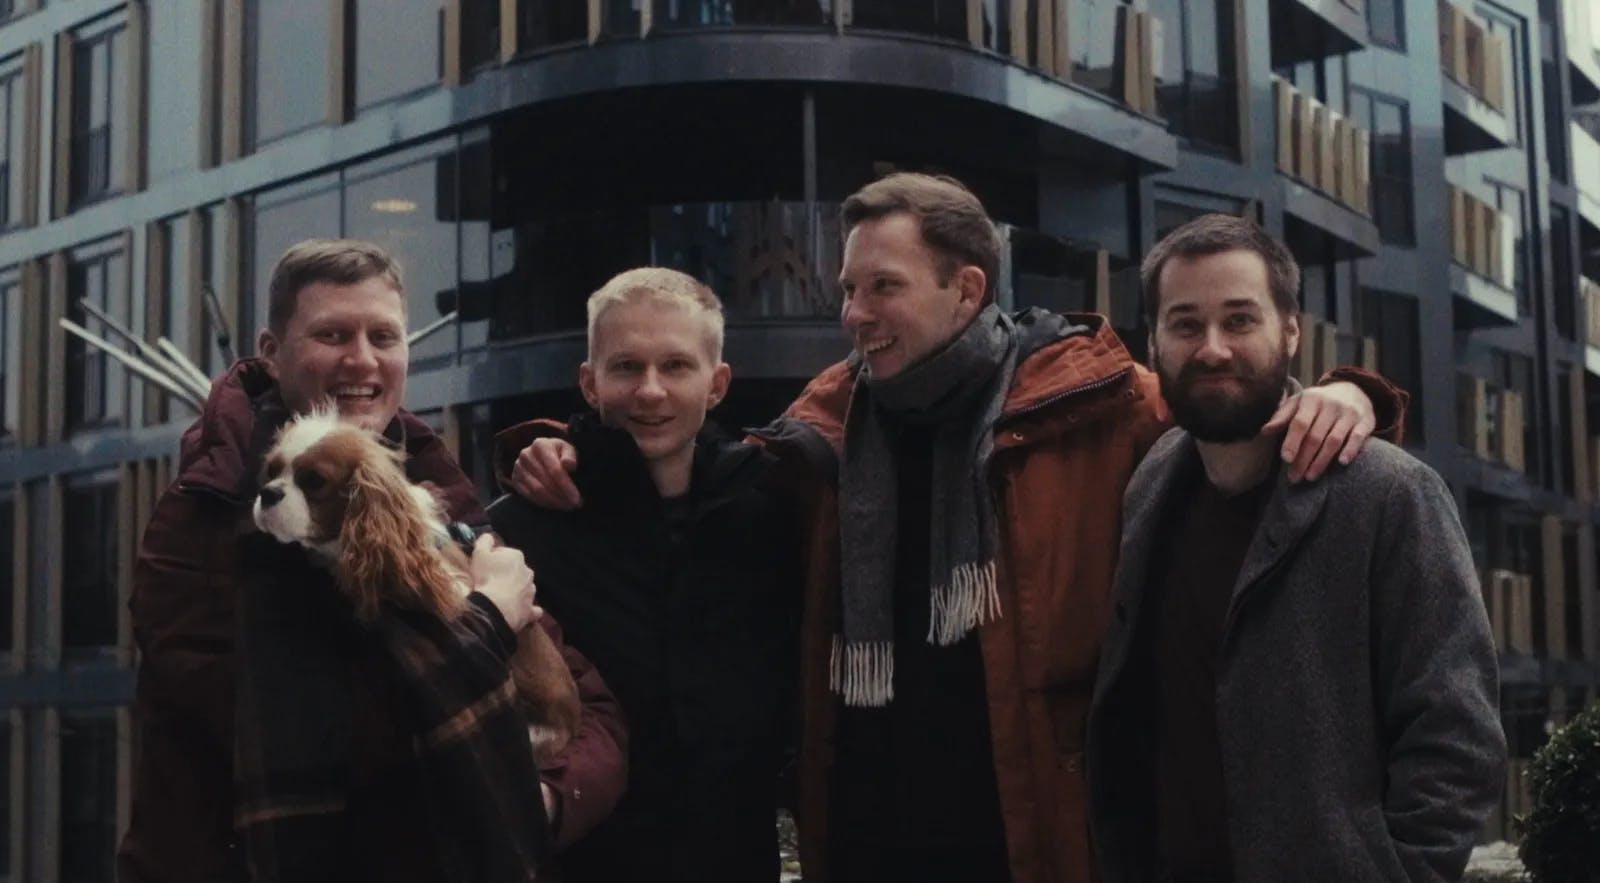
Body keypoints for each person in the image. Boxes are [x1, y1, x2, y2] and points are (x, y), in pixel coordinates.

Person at [509, 173, 1406, 882]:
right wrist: (565, 450)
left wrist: (1344, 394)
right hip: (860, 847)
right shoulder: (821, 432)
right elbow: (679, 465)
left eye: (883, 287)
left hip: (1029, 843)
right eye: (849, 287)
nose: (854, 313)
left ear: (966, 287)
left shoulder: (1096, 406)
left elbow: (1227, 414)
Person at [119, 239, 627, 883]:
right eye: (332, 334)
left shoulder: (441, 494)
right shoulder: (206, 514)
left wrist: (547, 801)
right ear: (272, 354)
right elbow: (302, 736)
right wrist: (488, 623)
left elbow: (591, 709)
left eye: (383, 336)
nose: (361, 359)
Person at [1086, 215, 1505, 882]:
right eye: (1186, 324)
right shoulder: (1150, 484)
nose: (1213, 348)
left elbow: (1456, 733)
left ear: (1290, 330)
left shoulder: (1389, 493)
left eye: (1240, 320)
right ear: (1155, 341)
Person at [488, 268, 801, 882]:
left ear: (717, 384)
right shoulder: (523, 533)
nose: (650, 391)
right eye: (627, 367)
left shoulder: (776, 515)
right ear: (590, 382)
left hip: (737, 859)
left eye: (676, 367)